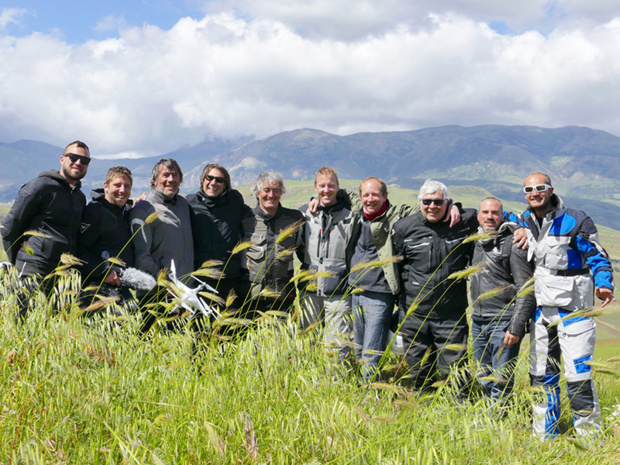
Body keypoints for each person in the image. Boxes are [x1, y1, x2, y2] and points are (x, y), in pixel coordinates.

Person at [520, 173, 615, 440]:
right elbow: (495, 216)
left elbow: (597, 254)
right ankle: (544, 437)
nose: (534, 193)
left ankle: (588, 438)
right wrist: (513, 227)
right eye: (528, 189)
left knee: (578, 377)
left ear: (551, 190)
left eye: (540, 188)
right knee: (541, 376)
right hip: (542, 312)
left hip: (574, 311)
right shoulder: (523, 219)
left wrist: (604, 283)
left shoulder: (575, 219)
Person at [392, 179, 478, 392]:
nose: (432, 206)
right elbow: (395, 266)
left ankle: (460, 408)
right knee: (419, 368)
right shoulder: (403, 228)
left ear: (447, 202)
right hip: (414, 313)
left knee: (456, 369)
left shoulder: (464, 222)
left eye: (438, 202)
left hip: (451, 314)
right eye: (427, 201)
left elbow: (489, 214)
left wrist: (457, 206)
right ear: (420, 202)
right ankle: (423, 406)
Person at [1, 140, 90, 315]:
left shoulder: (80, 197)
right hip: (32, 271)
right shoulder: (40, 186)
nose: (79, 163)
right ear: (62, 159)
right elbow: (10, 226)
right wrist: (16, 263)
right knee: (23, 326)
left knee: (48, 331)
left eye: (84, 160)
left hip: (61, 278)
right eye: (74, 157)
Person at [469, 197, 535, 406]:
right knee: (483, 376)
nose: (490, 217)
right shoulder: (475, 242)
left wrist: (515, 327)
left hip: (503, 322)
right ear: (478, 216)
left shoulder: (513, 243)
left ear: (502, 215)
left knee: (501, 381)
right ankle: (489, 420)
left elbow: (526, 288)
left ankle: (499, 423)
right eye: (485, 212)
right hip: (478, 320)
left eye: (495, 213)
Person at [129, 158, 194, 332]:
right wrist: (166, 286)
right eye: (165, 175)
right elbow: (141, 257)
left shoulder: (183, 205)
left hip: (185, 296)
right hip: (156, 297)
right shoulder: (143, 209)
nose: (170, 179)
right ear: (154, 180)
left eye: (175, 175)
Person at [299, 167, 355, 363]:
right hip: (310, 290)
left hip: (339, 292)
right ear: (315, 187)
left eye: (331, 185)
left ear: (338, 187)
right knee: (307, 342)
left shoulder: (350, 217)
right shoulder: (306, 216)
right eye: (322, 186)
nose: (326, 190)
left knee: (337, 346)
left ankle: (337, 385)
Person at [187, 164, 252, 318]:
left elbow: (255, 213)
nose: (213, 183)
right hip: (200, 279)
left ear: (225, 185)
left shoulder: (234, 200)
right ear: (202, 180)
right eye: (209, 178)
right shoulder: (189, 203)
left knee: (228, 330)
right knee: (200, 328)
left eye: (219, 180)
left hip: (229, 278)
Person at [241, 170, 304, 318]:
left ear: (281, 193)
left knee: (280, 340)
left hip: (282, 298)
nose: (271, 195)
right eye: (266, 190)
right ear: (257, 193)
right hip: (250, 298)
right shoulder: (245, 218)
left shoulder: (294, 219)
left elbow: (305, 251)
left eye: (276, 190)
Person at [77, 166, 136, 312]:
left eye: (127, 186)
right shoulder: (94, 211)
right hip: (97, 292)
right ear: (106, 186)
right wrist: (103, 272)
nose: (122, 190)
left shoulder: (125, 213)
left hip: (119, 290)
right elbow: (79, 249)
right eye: (117, 185)